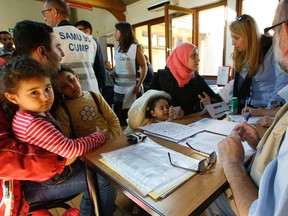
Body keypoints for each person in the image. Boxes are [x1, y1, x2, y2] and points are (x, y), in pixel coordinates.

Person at [0, 20, 112, 216]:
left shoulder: (28, 104)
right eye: (58, 47)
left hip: (45, 173)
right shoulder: (31, 119)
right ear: (42, 53)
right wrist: (64, 156)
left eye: (48, 89)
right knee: (106, 175)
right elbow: (67, 150)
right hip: (33, 184)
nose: (61, 54)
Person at [206, 1, 288, 215]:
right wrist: (261, 142)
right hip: (251, 114)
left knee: (210, 192)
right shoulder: (242, 57)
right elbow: (234, 87)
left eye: (236, 37)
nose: (232, 43)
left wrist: (233, 163)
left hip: (263, 111)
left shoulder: (274, 58)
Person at [42, 0, 106, 93]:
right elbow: (101, 75)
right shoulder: (91, 39)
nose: (45, 18)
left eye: (45, 13)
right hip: (92, 94)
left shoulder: (50, 36)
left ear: (54, 12)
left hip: (67, 97)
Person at [229, 14, 288, 113]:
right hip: (248, 109)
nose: (233, 43)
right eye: (232, 37)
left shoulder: (272, 49)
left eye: (236, 38)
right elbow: (237, 85)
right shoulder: (241, 55)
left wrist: (268, 110)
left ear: (248, 37)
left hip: (269, 109)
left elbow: (282, 83)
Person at [150, 42, 222, 115]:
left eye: (197, 55)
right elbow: (149, 102)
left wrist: (210, 101)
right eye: (194, 55)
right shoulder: (162, 76)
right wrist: (168, 111)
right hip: (165, 123)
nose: (198, 59)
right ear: (181, 57)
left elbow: (219, 100)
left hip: (191, 122)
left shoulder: (197, 79)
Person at [55, 64, 122, 140]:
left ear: (76, 77)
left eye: (71, 80)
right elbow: (66, 138)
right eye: (63, 86)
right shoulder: (63, 110)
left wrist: (113, 138)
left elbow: (113, 119)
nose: (71, 86)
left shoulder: (95, 96)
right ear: (59, 91)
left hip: (109, 139)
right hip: (88, 148)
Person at [113, 21, 147, 126]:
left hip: (133, 89)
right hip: (119, 90)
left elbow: (144, 66)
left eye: (116, 31)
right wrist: (113, 72)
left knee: (134, 118)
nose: (114, 33)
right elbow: (119, 65)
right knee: (122, 118)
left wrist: (139, 84)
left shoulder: (135, 48)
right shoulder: (117, 48)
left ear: (123, 32)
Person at [74, 19, 106, 92]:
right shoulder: (81, 43)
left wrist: (101, 84)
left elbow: (99, 64)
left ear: (87, 30)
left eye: (79, 30)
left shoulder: (93, 42)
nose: (76, 33)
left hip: (95, 82)